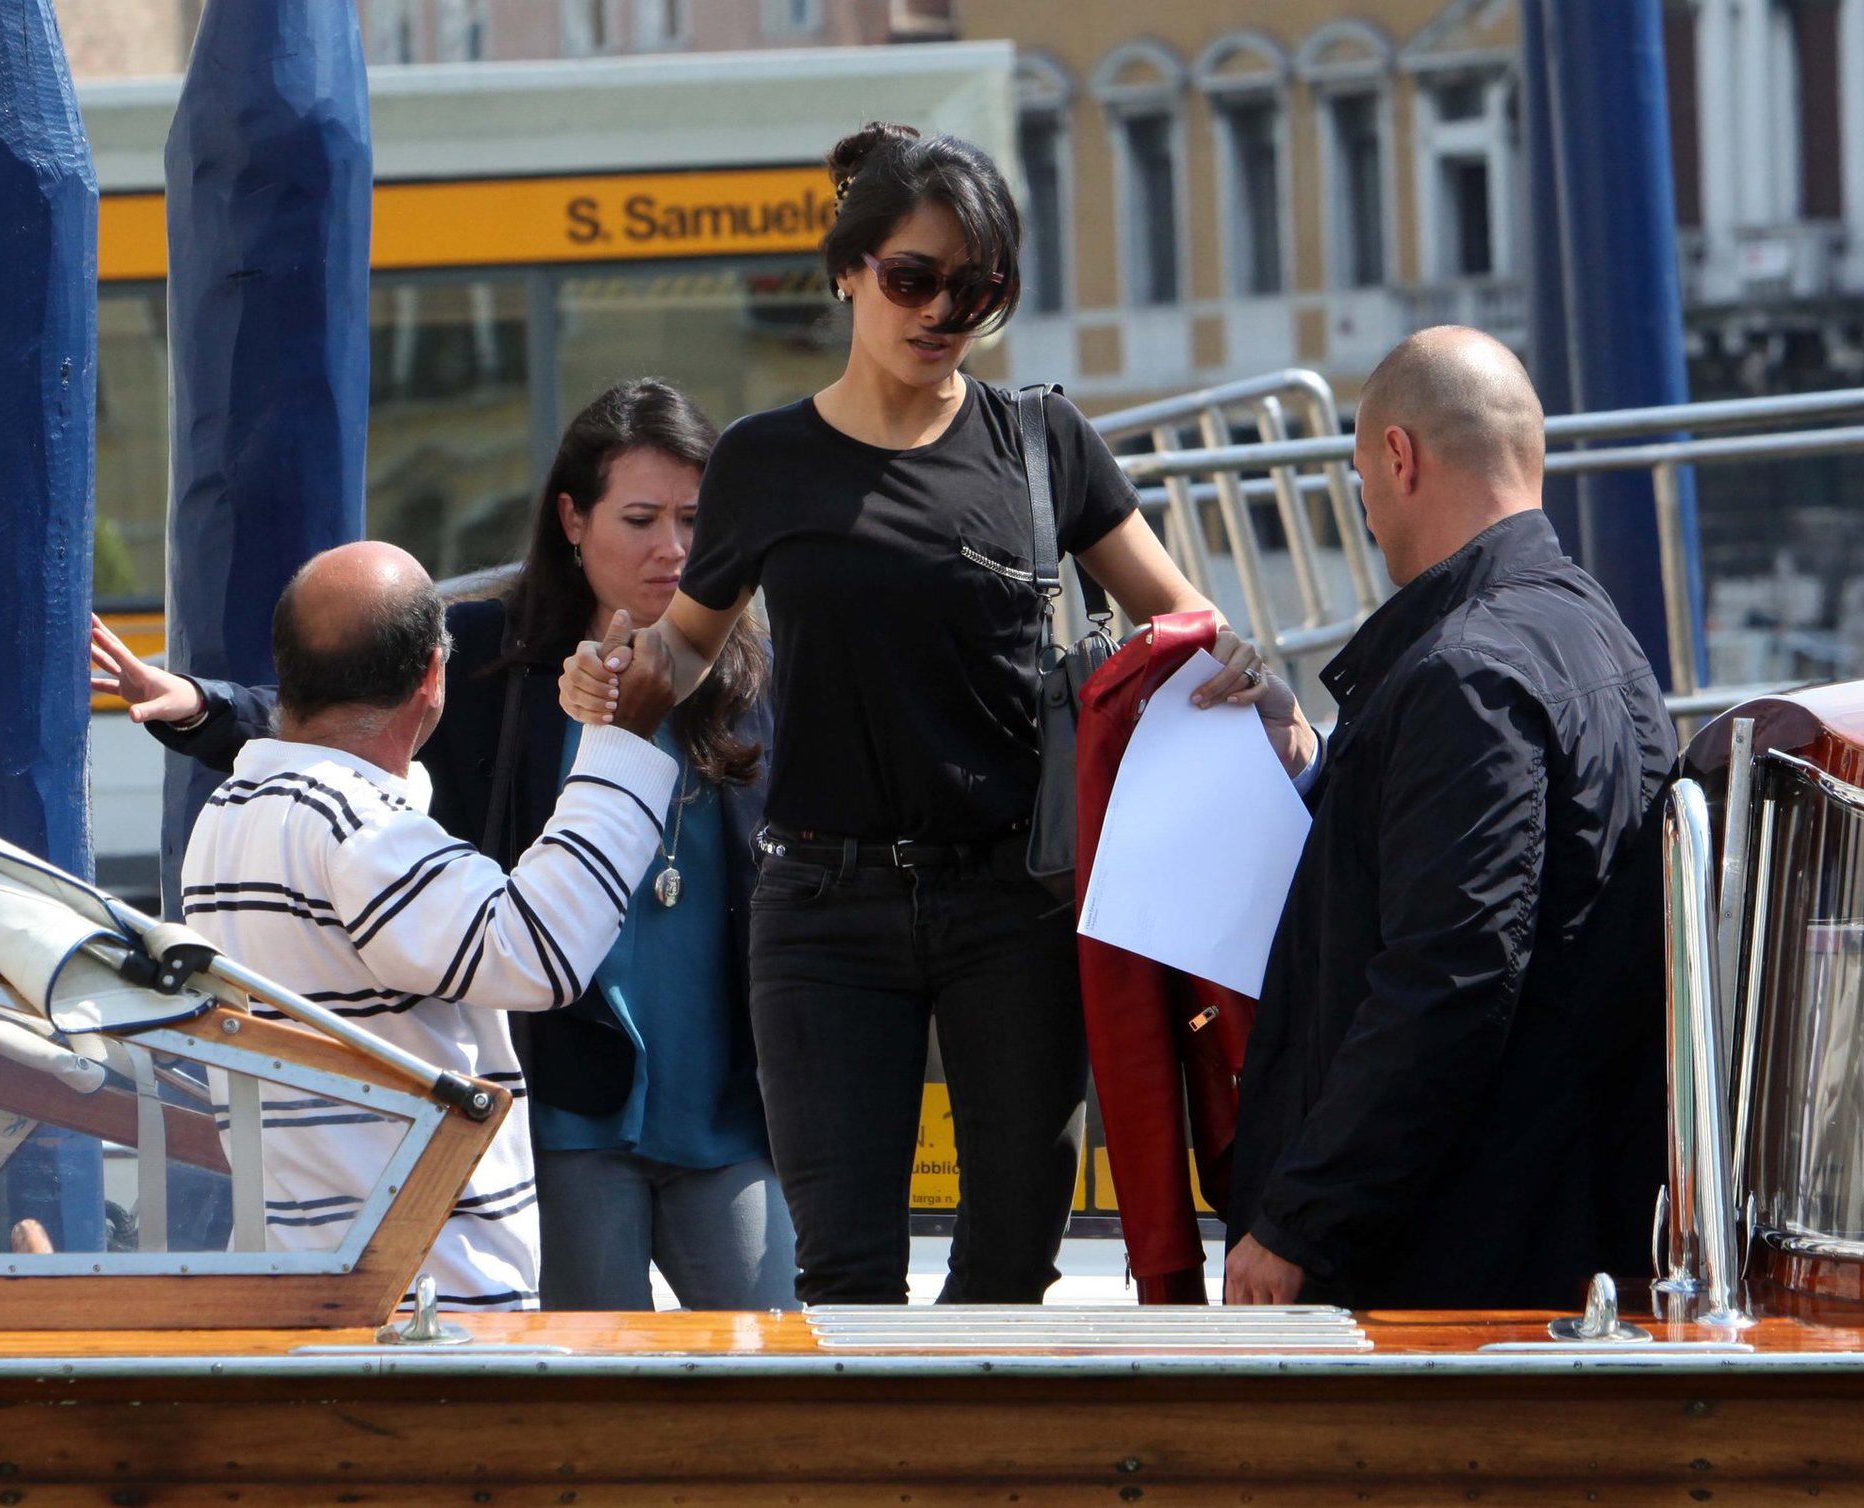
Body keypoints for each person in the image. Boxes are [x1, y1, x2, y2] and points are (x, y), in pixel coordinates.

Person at [565, 121, 1320, 1306]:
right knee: (849, 1272)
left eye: (980, 290)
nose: (943, 312)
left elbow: (1188, 624)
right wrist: (614, 681)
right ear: (847, 272)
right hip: (821, 903)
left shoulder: (1041, 441)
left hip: (1013, 898)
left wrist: (1256, 680)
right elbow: (686, 650)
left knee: (1014, 1254)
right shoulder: (766, 460)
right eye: (914, 279)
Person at [92, 380, 797, 1312]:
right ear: (572, 521)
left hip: (717, 1089)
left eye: (693, 520)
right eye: (639, 517)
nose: (671, 548)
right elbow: (347, 718)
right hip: (563, 1090)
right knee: (596, 1387)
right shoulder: (483, 651)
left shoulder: (748, 672)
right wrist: (202, 707)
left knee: (769, 1347)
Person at [1223, 326, 1674, 1311]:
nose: (1371, 515)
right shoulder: (1608, 642)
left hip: (1451, 1263)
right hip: (1569, 1227)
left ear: (1399, 457)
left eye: (1362, 481)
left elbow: (1447, 978)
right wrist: (1314, 760)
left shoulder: (1459, 674)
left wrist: (1299, 1218)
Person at [173, 540, 677, 1310]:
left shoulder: (234, 811)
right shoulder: (356, 826)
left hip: (313, 1271)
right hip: (424, 1299)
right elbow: (536, 952)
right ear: (431, 678)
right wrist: (620, 741)